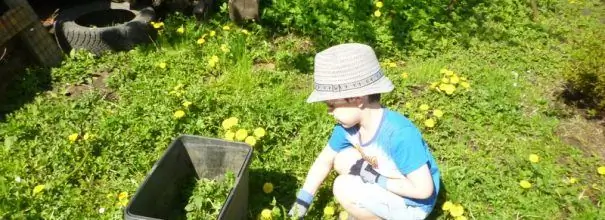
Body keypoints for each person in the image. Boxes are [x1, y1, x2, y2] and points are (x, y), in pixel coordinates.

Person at [288, 43, 441, 220]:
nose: (329, 112)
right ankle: (370, 204)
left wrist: (376, 179)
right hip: (387, 177)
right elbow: (324, 160)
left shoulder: (399, 134)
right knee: (341, 159)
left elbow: (423, 190)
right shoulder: (347, 128)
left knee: (342, 186)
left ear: (358, 99)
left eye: (331, 105)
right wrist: (302, 202)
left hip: (413, 204)